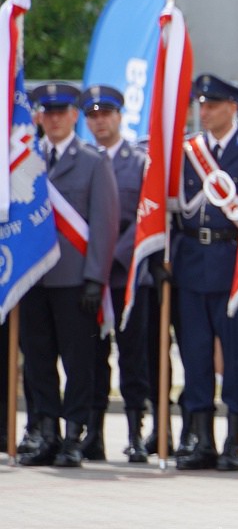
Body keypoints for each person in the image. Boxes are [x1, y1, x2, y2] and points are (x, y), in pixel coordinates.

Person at [18, 83, 119, 467]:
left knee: (79, 362)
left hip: (75, 281)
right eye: (49, 112)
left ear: (74, 116)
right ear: (39, 116)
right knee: (38, 359)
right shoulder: (24, 162)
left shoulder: (93, 162)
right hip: (33, 278)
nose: (55, 118)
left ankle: (75, 433)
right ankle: (45, 430)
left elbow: (105, 224)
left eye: (63, 111)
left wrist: (96, 277)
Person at [172, 74, 238, 471]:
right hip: (191, 262)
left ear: (232, 108)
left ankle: (232, 439)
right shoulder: (189, 150)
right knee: (194, 354)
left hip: (233, 263)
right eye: (200, 105)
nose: (203, 112)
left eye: (211, 105)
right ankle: (200, 437)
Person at [80, 84, 152, 463]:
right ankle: (93, 432)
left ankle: (135, 431)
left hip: (126, 277)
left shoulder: (138, 162)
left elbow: (144, 218)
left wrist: (111, 258)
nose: (99, 121)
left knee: (133, 357)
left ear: (120, 116)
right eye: (92, 115)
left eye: (105, 114)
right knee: (92, 356)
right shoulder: (84, 159)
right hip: (90, 278)